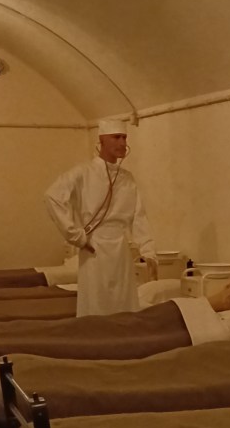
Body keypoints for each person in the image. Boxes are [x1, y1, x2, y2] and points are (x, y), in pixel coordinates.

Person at [44, 118, 156, 317]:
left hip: (121, 249)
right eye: (116, 137)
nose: (122, 142)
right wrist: (76, 236)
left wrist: (148, 250)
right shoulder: (83, 172)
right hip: (94, 246)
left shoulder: (127, 178)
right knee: (96, 303)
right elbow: (53, 196)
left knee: (123, 303)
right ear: (102, 140)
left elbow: (138, 215)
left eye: (124, 137)